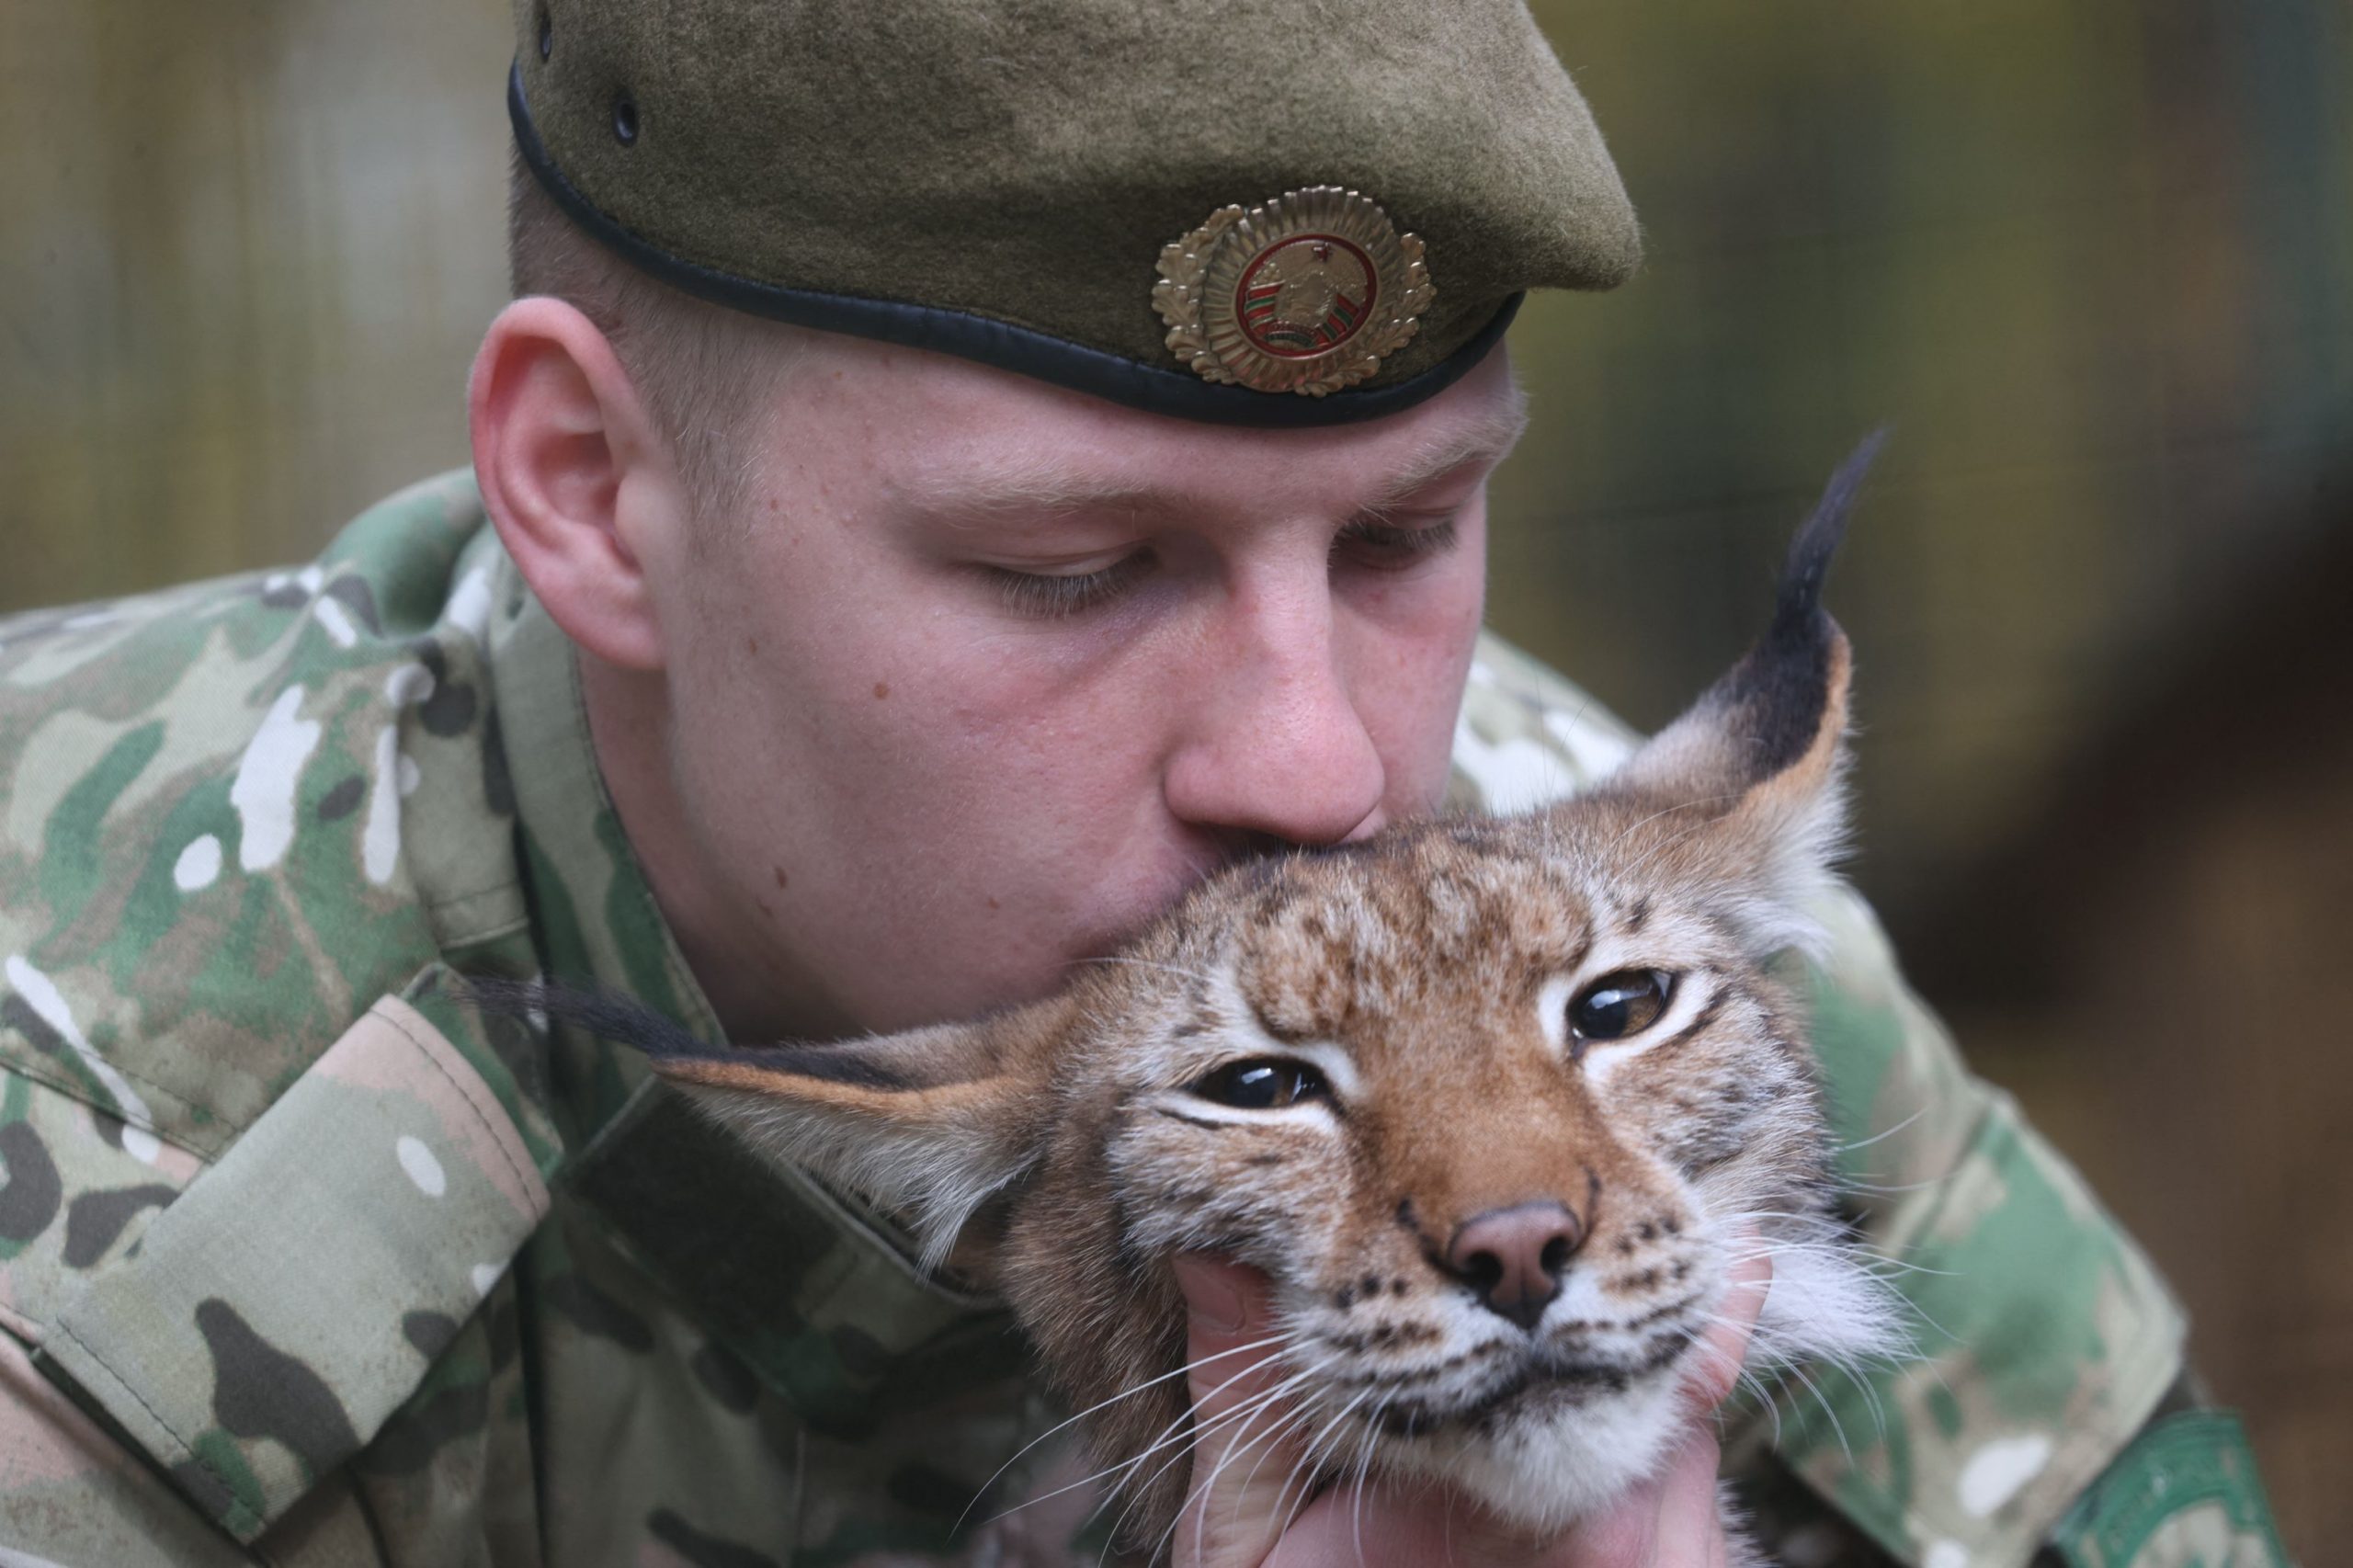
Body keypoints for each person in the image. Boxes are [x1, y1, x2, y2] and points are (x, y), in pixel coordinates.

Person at [0, 2, 2288, 1564]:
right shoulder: (86, 1126)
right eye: (1080, 567)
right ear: (596, 490)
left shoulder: (1628, 958)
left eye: (1398, 538)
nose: (1318, 758)